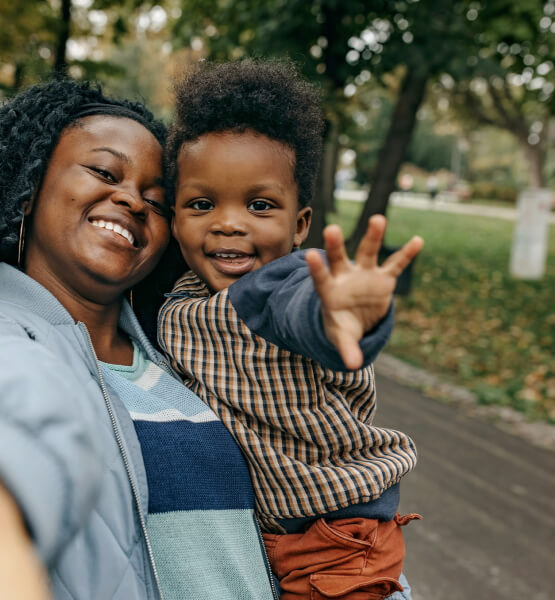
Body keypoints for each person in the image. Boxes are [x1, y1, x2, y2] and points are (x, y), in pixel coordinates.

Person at [0, 78, 282, 600]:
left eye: (157, 201)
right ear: (29, 188)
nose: (131, 200)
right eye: (105, 173)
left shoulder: (183, 347)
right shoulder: (12, 339)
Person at [159, 59, 423, 600]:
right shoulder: (180, 297)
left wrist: (344, 316)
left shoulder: (281, 284)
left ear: (298, 225)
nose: (228, 222)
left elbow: (303, 312)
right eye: (202, 204)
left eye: (259, 205)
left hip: (336, 532)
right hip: (267, 532)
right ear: (173, 214)